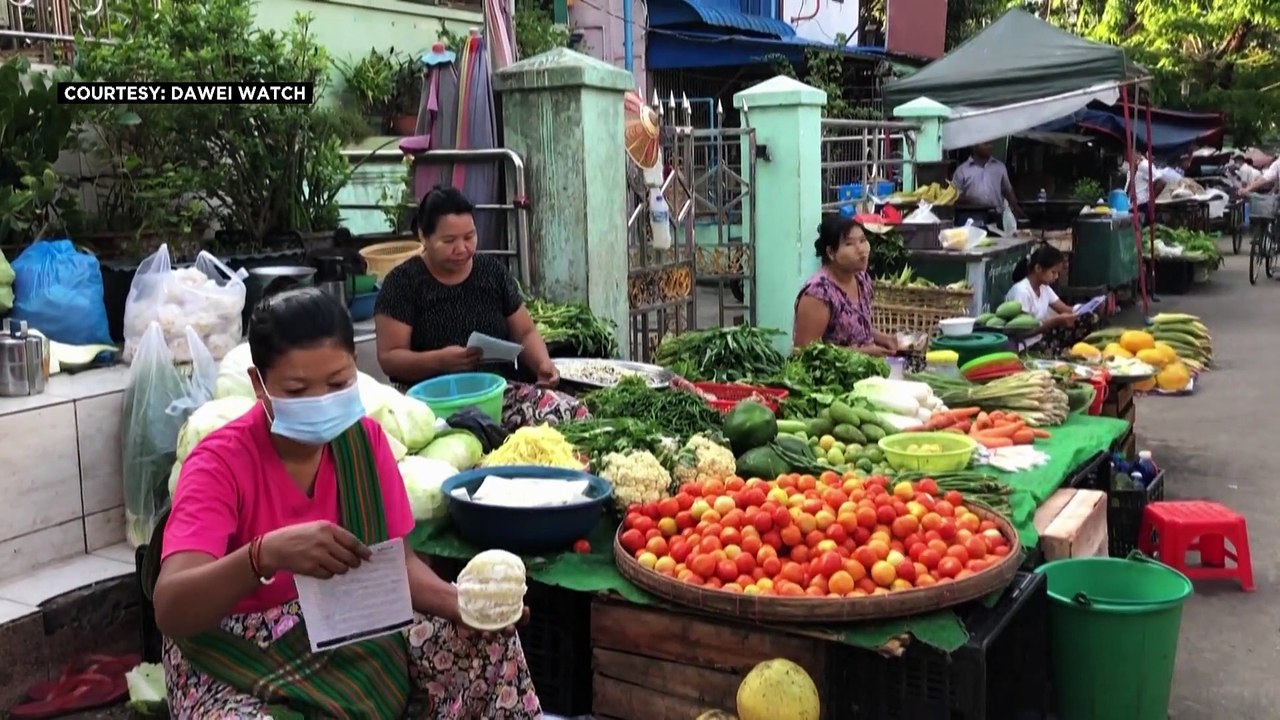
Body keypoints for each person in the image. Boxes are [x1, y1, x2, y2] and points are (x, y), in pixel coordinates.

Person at [148, 288, 541, 719]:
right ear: (259, 384)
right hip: (235, 647)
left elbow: (396, 562)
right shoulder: (219, 463)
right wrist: (264, 555)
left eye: (337, 383)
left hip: (347, 621)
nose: (321, 400)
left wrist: (463, 604)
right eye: (297, 390)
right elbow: (172, 607)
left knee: (490, 642)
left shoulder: (364, 444)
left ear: (356, 367)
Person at [375, 186, 586, 429]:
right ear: (424, 236)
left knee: (572, 414)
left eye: (469, 237)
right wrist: (440, 361)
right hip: (431, 402)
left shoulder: (491, 272)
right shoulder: (402, 283)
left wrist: (543, 365)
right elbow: (390, 357)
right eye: (449, 241)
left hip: (495, 393)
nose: (462, 248)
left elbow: (525, 332)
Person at [793, 214, 898, 356]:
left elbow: (854, 329)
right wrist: (863, 353)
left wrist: (883, 338)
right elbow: (804, 352)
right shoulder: (818, 293)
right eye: (849, 244)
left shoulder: (861, 279)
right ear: (831, 252)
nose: (861, 249)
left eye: (862, 240)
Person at [1005, 244, 1097, 355]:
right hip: (1024, 345)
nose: (1056, 277)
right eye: (1053, 272)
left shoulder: (1044, 288)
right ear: (1038, 268)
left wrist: (1090, 306)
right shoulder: (1022, 292)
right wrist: (1054, 321)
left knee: (1088, 318)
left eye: (1057, 273)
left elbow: (1066, 309)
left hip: (1040, 337)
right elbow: (1022, 333)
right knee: (1061, 349)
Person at [951, 142, 1025, 224]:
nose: (990, 147)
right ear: (974, 146)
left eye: (990, 144)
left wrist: (1016, 207)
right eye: (985, 144)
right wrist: (969, 199)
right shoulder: (962, 170)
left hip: (997, 215)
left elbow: (1008, 190)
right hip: (972, 216)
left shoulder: (999, 167)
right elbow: (952, 196)